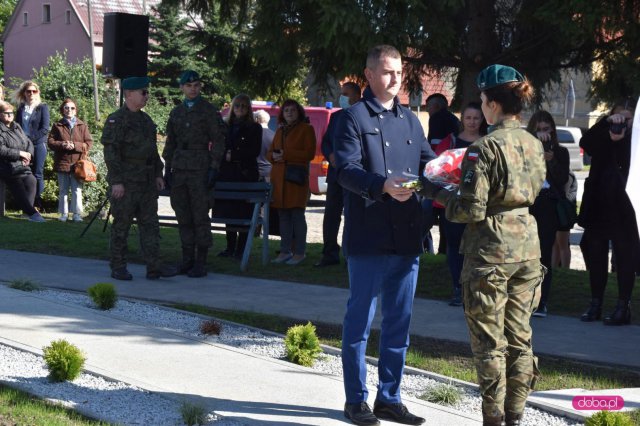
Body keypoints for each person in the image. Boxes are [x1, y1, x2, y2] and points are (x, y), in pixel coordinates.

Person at [420, 64, 545, 426]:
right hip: (528, 250)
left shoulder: (483, 148)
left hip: (490, 251)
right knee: (520, 340)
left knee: (490, 345)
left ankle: (493, 418)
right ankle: (516, 417)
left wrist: (436, 190)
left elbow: (469, 210)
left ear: (491, 104)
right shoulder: (534, 143)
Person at [334, 45, 435, 426]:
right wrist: (381, 185)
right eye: (388, 72)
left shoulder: (411, 120)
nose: (395, 79)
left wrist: (451, 170)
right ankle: (355, 400)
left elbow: (428, 165)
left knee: (399, 323)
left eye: (399, 72)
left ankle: (389, 398)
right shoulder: (351, 118)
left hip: (407, 236)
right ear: (370, 74)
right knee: (359, 323)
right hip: (369, 235)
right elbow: (345, 170)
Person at [102, 76, 178, 281]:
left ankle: (154, 267)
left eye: (147, 92)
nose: (147, 96)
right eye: (143, 92)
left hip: (146, 183)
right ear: (128, 94)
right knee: (122, 225)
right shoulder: (116, 120)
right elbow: (111, 153)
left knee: (150, 224)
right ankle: (118, 266)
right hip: (126, 183)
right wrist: (116, 181)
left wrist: (157, 174)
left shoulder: (146, 121)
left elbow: (153, 152)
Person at [578, 102, 638, 325]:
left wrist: (627, 132)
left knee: (625, 258)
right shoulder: (603, 135)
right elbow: (586, 143)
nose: (620, 124)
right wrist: (606, 123)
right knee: (596, 254)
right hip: (599, 205)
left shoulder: (634, 140)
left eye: (626, 119)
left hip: (625, 208)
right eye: (617, 118)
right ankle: (596, 304)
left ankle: (623, 307)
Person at [162, 70, 227, 277]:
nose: (193, 89)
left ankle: (201, 262)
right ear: (182, 88)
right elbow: (170, 141)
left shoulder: (208, 111)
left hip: (200, 167)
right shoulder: (176, 112)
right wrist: (167, 168)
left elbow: (218, 140)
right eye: (189, 86)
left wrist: (214, 167)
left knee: (200, 216)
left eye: (196, 85)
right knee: (183, 214)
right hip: (180, 167)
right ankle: (187, 259)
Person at [433, 102, 486, 306]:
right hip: (454, 205)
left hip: (479, 206)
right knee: (455, 249)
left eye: (476, 118)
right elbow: (437, 170)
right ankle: (458, 288)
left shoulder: (487, 142)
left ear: (482, 120)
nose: (472, 122)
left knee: (477, 249)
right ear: (462, 119)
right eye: (468, 117)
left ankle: (475, 290)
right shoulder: (451, 141)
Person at [526, 111, 570, 318]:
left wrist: (550, 159)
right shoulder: (525, 150)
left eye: (546, 129)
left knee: (544, 253)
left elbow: (561, 180)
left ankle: (542, 300)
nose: (543, 134)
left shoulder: (560, 152)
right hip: (528, 202)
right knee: (524, 252)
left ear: (552, 130)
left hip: (548, 204)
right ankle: (523, 298)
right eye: (538, 130)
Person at [315, 81, 362, 267]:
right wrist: (331, 154)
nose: (342, 98)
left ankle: (351, 253)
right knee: (331, 215)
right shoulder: (336, 117)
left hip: (354, 175)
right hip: (335, 175)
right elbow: (326, 142)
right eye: (341, 94)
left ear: (357, 96)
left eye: (346, 94)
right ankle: (329, 254)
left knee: (353, 215)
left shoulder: (362, 115)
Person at [267, 99, 316, 266]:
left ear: (299, 112)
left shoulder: (306, 129)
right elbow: (270, 152)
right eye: (286, 110)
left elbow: (309, 153)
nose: (289, 113)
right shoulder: (280, 131)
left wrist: (286, 154)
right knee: (283, 216)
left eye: (292, 110)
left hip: (295, 179)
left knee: (297, 216)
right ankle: (285, 251)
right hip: (279, 179)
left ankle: (300, 252)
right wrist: (273, 156)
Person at [216, 94, 261, 259]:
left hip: (245, 174)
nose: (240, 109)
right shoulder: (225, 125)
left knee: (243, 213)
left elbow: (254, 151)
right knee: (229, 213)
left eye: (243, 106)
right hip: (227, 174)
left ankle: (241, 249)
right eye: (237, 106)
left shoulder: (254, 128)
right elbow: (218, 146)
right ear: (232, 107)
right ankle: (230, 247)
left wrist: (234, 155)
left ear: (248, 109)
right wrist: (225, 155)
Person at [424, 93, 460, 255]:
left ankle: (427, 249)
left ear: (437, 107)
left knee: (426, 215)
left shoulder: (437, 118)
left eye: (429, 107)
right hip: (453, 172)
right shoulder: (454, 120)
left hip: (440, 172)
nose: (428, 110)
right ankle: (443, 250)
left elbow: (434, 145)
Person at [47, 98, 93, 222]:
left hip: (78, 164)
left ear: (76, 110)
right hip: (62, 162)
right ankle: (63, 214)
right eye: (66, 107)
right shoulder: (57, 125)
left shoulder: (82, 125)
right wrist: (62, 144)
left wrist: (75, 146)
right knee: (63, 190)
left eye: (72, 108)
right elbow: (50, 142)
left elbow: (89, 143)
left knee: (77, 190)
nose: (69, 110)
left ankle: (77, 214)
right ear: (62, 110)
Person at [0, 100, 44, 222]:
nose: (10, 115)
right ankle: (33, 213)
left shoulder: (16, 126)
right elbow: (1, 149)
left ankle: (27, 213)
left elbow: (28, 141)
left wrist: (28, 154)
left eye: (11, 113)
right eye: (6, 113)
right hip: (6, 165)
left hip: (21, 164)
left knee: (32, 181)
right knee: (17, 184)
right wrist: (19, 153)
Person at [15, 80, 50, 209]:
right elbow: (16, 126)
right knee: (24, 172)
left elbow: (45, 129)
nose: (31, 93)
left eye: (34, 91)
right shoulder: (21, 108)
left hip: (38, 145)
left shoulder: (42, 107)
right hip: (23, 146)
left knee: (38, 173)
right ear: (24, 93)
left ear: (37, 92)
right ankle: (26, 202)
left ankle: (37, 203)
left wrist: (30, 139)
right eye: (28, 91)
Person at [254, 109, 275, 182]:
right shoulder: (275, 136)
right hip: (270, 174)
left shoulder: (252, 135)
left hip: (255, 174)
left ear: (256, 120)